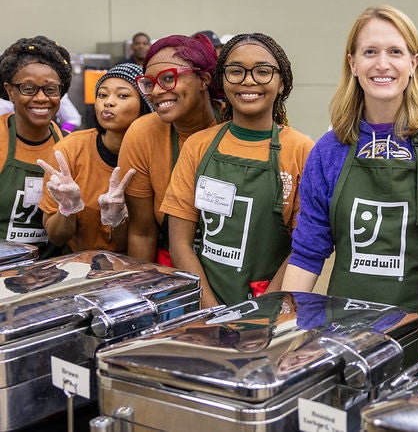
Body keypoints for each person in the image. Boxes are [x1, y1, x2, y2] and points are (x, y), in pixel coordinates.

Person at [280, 5, 418, 355]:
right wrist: (292, 334)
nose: (382, 64)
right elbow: (307, 254)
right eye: (370, 52)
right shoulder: (329, 150)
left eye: (395, 52)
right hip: (342, 342)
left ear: (413, 64)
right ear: (353, 64)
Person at [161, 33, 313, 308]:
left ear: (282, 84)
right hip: (203, 309)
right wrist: (211, 311)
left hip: (271, 311)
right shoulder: (198, 145)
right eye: (236, 71)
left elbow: (302, 248)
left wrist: (262, 311)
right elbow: (180, 244)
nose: (248, 80)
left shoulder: (302, 150)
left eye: (263, 71)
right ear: (223, 81)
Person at [118, 34, 223, 264]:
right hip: (171, 273)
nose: (155, 92)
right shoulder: (143, 134)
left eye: (168, 78)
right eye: (149, 83)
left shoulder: (234, 127)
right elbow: (142, 232)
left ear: (204, 80)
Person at [37, 63, 153, 253]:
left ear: (145, 106)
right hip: (78, 267)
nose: (108, 102)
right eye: (102, 95)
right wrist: (67, 209)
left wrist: (117, 220)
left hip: (130, 269)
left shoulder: (154, 156)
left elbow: (140, 242)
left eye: (122, 95)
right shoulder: (69, 150)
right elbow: (57, 238)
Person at [0, 36, 72, 258]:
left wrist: (69, 208)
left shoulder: (71, 146)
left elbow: (63, 236)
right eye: (28, 88)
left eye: (51, 89)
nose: (41, 98)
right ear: (10, 91)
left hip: (51, 274)